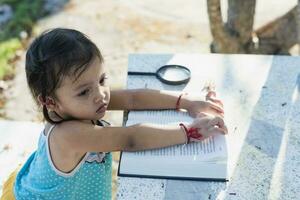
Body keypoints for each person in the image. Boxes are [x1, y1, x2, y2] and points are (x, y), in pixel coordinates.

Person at [0, 28, 228, 200]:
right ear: (49, 101)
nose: (100, 95)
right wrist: (189, 132)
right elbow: (130, 138)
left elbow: (133, 98)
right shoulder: (67, 135)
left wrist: (185, 101)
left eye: (101, 80)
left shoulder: (83, 102)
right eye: (84, 91)